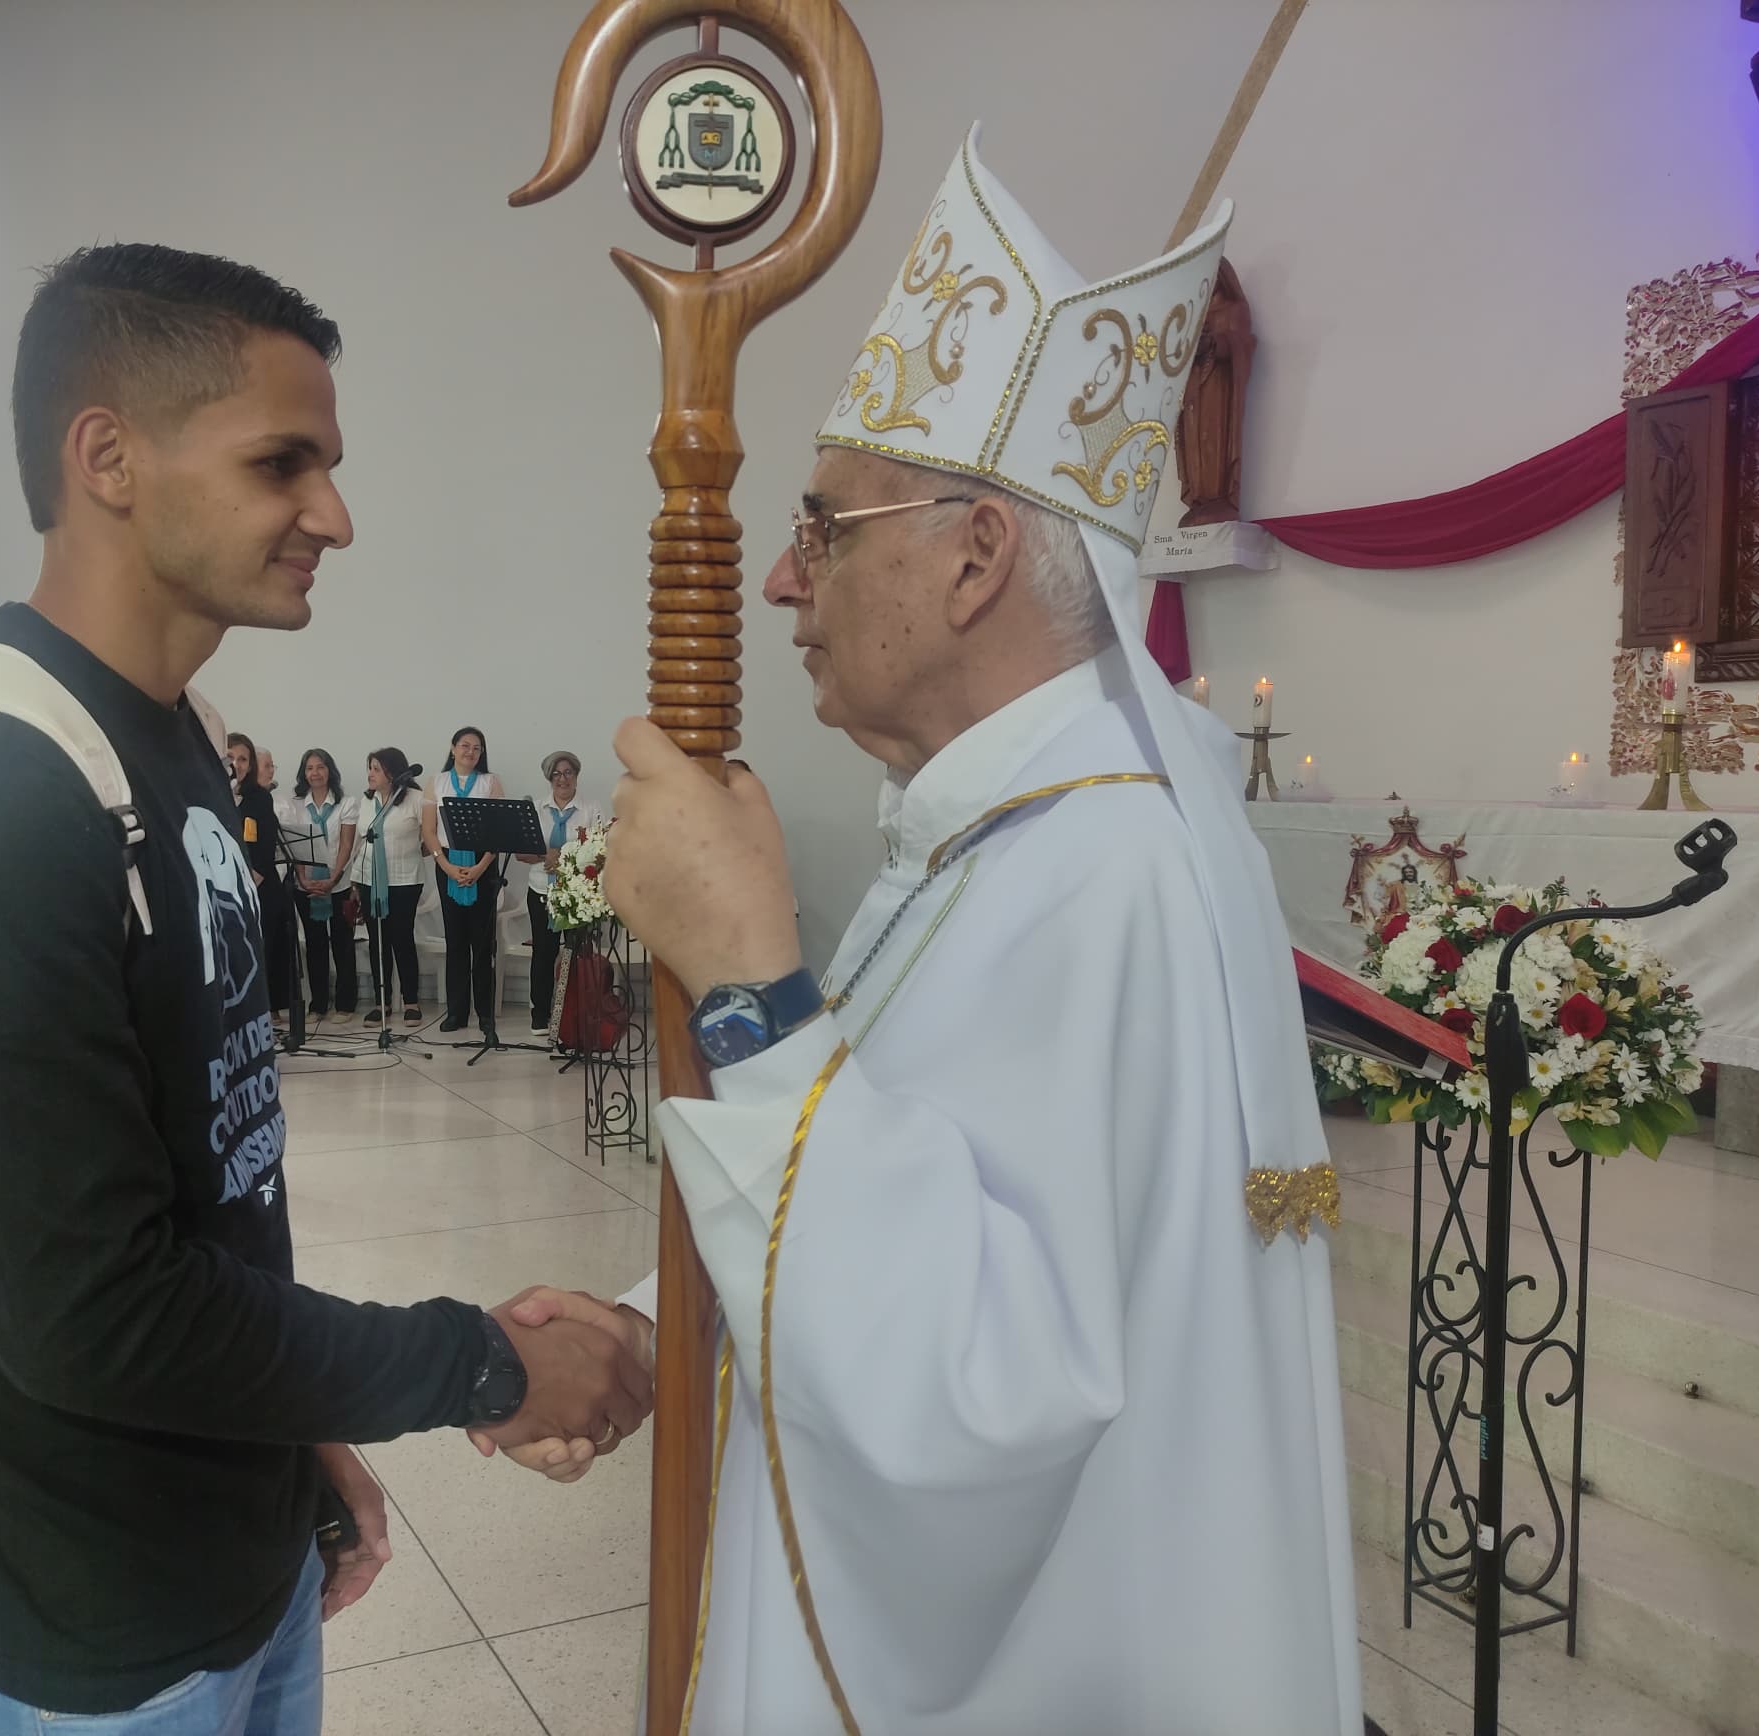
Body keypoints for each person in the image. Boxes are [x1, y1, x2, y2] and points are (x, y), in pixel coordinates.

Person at [488, 132, 1361, 1734]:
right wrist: (660, 1326)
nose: (773, 577)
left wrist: (749, 986)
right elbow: (926, 1183)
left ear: (975, 559)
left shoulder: (1104, 877)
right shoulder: (1001, 841)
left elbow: (989, 1388)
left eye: (824, 529)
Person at [0, 242, 651, 1736]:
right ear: (108, 457)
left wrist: (300, 1441)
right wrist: (484, 1361)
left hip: (235, 1559)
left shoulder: (167, 740)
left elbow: (202, 1189)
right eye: (283, 463)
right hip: (74, 1638)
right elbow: (90, 1312)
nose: (335, 514)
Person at [519, 749, 606, 1038]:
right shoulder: (536, 808)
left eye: (568, 772)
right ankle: (540, 1015)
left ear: (576, 776)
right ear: (549, 778)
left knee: (577, 955)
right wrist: (545, 855)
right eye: (556, 774)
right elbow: (521, 852)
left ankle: (575, 1015)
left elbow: (601, 852)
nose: (562, 779)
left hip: (577, 895)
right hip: (541, 890)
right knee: (543, 954)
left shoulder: (591, 809)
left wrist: (567, 856)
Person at [427, 726, 505, 1037]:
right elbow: (429, 831)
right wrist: (444, 865)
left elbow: (498, 832)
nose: (470, 752)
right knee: (455, 943)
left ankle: (485, 1014)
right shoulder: (436, 782)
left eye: (476, 748)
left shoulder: (490, 782)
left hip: (482, 865)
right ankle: (456, 1013)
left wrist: (480, 867)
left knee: (482, 944)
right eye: (464, 745)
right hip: (446, 862)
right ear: (452, 748)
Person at [228, 732, 299, 1025]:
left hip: (257, 884)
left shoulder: (259, 797)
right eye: (230, 757)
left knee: (263, 947)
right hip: (223, 887)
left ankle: (267, 1007)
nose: (236, 764)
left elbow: (265, 847)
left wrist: (246, 885)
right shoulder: (210, 793)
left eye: (243, 759)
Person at [355, 748, 429, 1026]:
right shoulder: (367, 801)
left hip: (405, 881)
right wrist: (354, 878)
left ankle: (411, 1001)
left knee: (401, 938)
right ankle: (381, 1002)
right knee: (377, 941)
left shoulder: (416, 799)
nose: (370, 774)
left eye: (376, 768)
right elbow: (360, 842)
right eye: (370, 767)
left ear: (392, 771)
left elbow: (430, 837)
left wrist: (412, 852)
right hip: (369, 879)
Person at [288, 748, 358, 1021]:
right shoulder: (295, 805)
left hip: (338, 883)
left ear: (330, 771)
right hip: (305, 883)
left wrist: (335, 877)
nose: (315, 773)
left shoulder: (346, 803)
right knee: (315, 943)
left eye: (320, 767)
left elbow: (347, 844)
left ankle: (346, 1003)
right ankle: (318, 1004)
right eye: (309, 768)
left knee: (342, 943)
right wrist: (304, 879)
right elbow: (293, 845)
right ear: (303, 773)